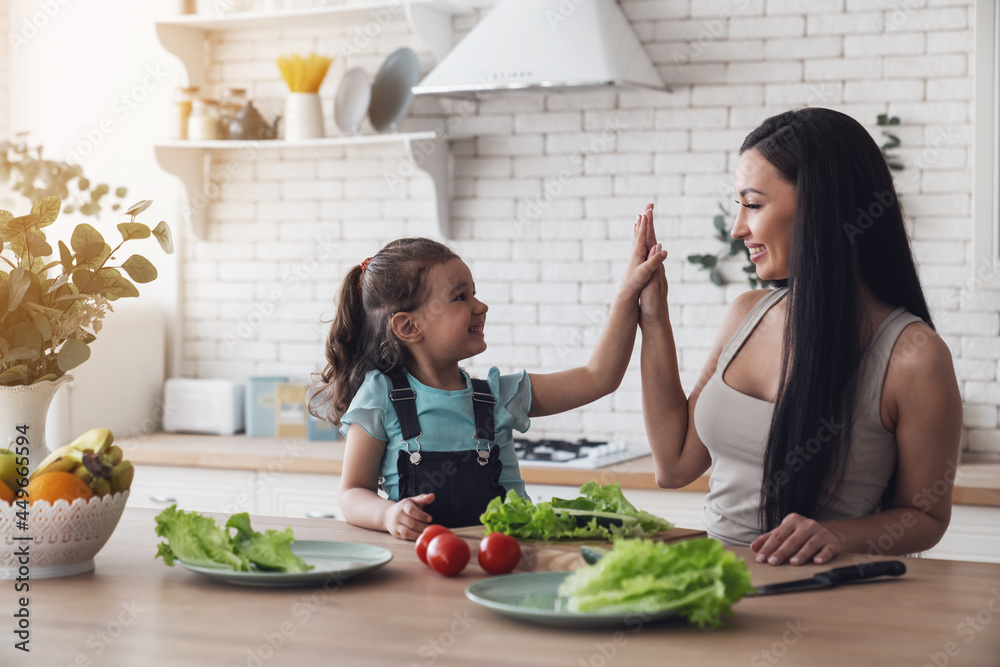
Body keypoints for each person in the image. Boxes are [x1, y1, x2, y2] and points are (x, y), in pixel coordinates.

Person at [637, 107, 962, 566]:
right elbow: (673, 464)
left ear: (819, 206)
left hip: (824, 596)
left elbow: (925, 515)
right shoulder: (745, 314)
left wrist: (837, 535)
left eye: (752, 204)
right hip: (713, 583)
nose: (737, 228)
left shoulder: (914, 356)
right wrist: (652, 316)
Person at [312, 230, 667, 540]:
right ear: (408, 327)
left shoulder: (499, 396)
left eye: (474, 293)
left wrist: (628, 292)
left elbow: (597, 378)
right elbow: (352, 494)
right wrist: (388, 515)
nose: (480, 305)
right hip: (424, 566)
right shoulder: (380, 397)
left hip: (508, 560)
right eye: (460, 296)